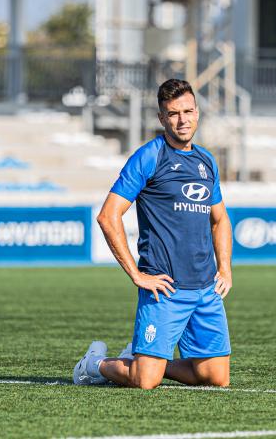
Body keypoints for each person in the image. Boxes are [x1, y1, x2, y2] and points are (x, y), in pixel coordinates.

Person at [73, 78, 233, 389]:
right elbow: (108, 216)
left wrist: (225, 268)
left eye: (188, 111)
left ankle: (144, 360)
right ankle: (94, 364)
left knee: (216, 378)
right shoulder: (150, 156)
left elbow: (220, 219)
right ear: (161, 118)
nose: (182, 120)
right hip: (165, 287)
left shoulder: (206, 160)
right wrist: (137, 274)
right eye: (173, 114)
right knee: (145, 382)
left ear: (198, 112)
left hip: (205, 288)